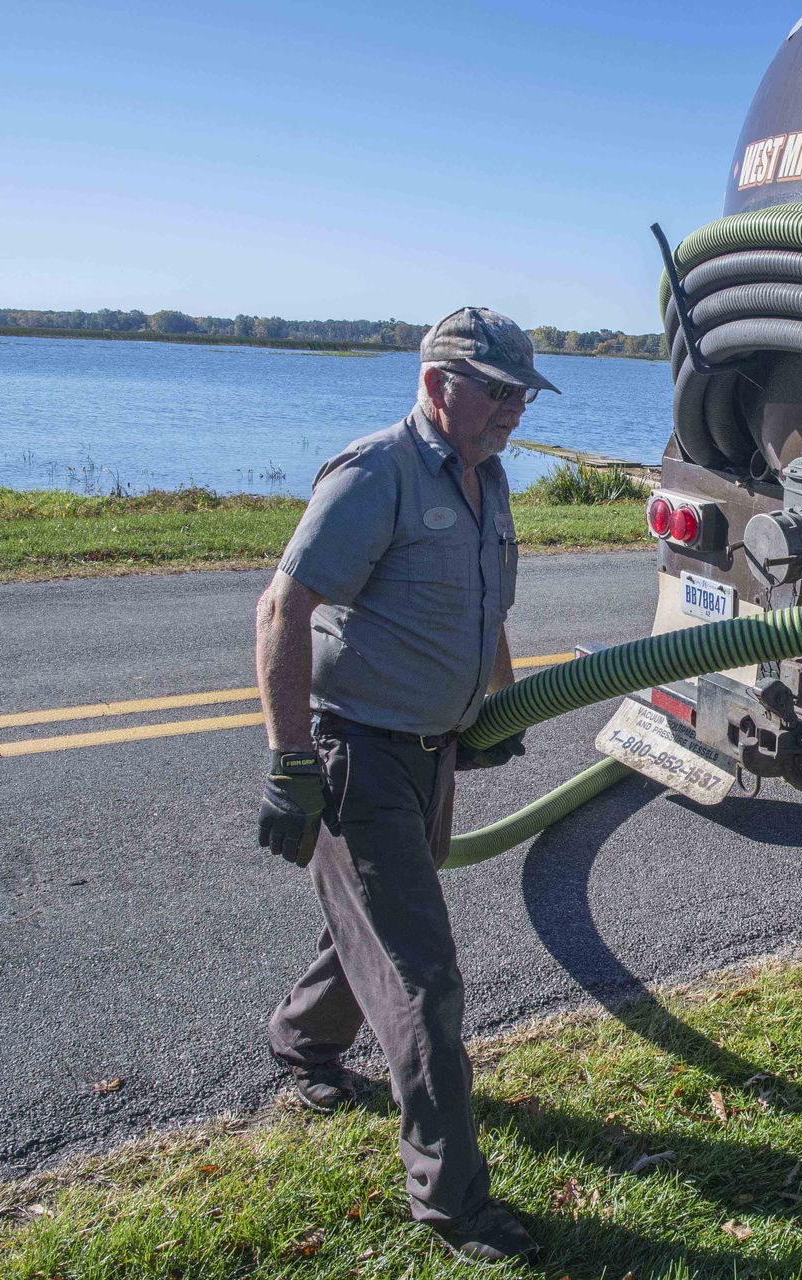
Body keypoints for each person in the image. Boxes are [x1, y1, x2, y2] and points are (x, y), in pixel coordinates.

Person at [253, 306, 557, 1264]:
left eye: (522, 394)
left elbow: (484, 605)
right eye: (498, 391)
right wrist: (291, 759)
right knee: (425, 980)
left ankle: (302, 1048)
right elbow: (282, 607)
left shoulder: (489, 477)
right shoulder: (375, 473)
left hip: (431, 754)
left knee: (377, 930)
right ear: (438, 385)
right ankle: (454, 1204)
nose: (513, 409)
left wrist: (492, 710)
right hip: (357, 755)